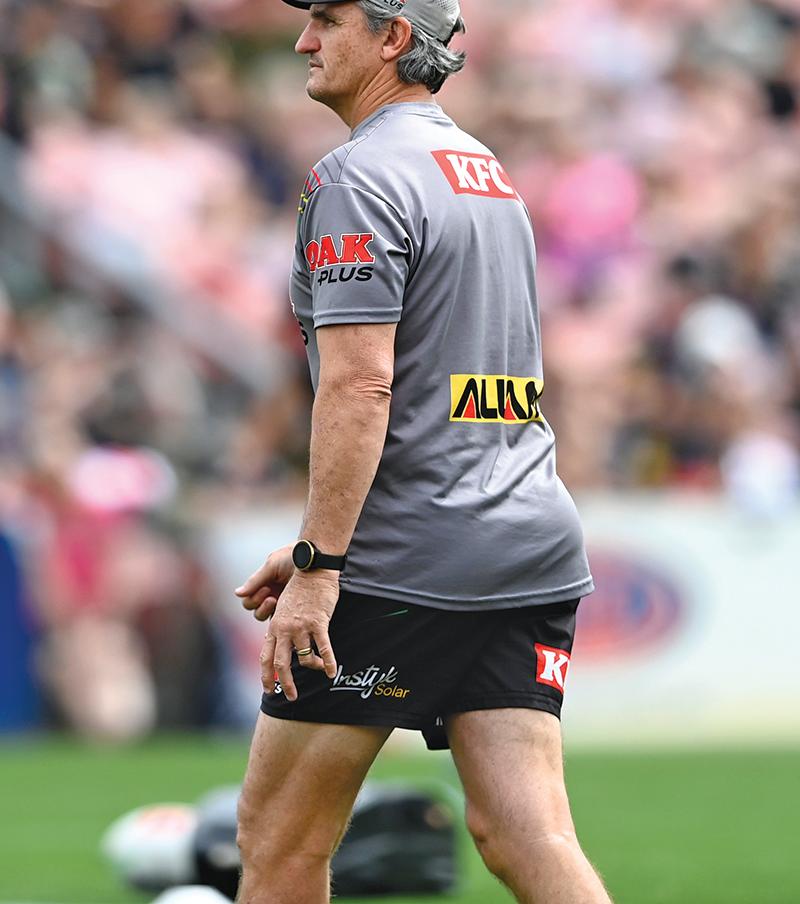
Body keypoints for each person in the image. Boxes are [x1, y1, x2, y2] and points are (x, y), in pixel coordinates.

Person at [234, 2, 613, 902]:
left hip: (410, 557)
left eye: (328, 19)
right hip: (526, 540)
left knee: (279, 842)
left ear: (394, 37)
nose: (305, 40)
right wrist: (315, 545)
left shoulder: (356, 176)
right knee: (528, 836)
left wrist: (321, 564)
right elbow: (459, 394)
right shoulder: (483, 170)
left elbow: (362, 387)